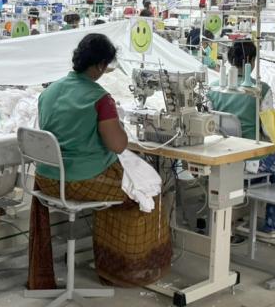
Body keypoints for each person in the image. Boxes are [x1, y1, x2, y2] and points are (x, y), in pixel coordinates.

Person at [28, 33, 171, 288]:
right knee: (147, 192)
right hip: (81, 182)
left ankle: (109, 263)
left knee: (129, 185)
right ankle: (128, 270)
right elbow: (117, 145)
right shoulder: (100, 98)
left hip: (46, 180)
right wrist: (122, 129)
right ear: (100, 65)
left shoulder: (49, 92)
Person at [207, 40, 275, 234]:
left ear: (229, 59)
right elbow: (269, 130)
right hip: (251, 160)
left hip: (223, 156)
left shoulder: (215, 87)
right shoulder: (260, 90)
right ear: (251, 60)